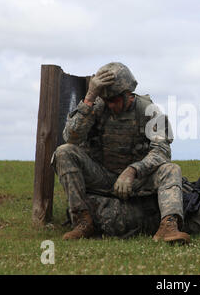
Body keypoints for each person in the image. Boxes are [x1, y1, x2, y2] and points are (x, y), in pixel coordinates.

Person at [51, 62, 190, 244]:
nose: (110, 105)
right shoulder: (96, 106)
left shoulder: (148, 111)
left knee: (171, 170)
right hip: (102, 175)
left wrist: (134, 170)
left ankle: (169, 226)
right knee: (63, 152)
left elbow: (162, 151)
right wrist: (90, 98)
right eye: (106, 100)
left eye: (114, 100)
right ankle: (82, 221)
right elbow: (71, 137)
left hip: (137, 180)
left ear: (128, 95)